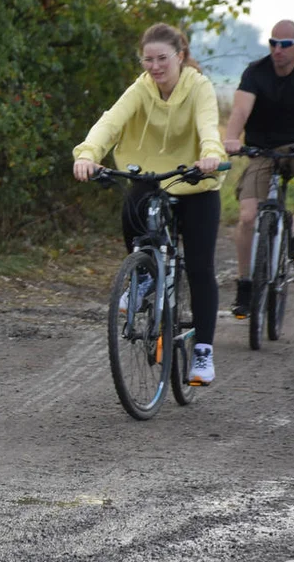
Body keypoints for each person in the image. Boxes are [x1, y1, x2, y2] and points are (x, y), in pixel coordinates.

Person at [72, 23, 226, 386]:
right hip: (151, 175)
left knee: (201, 266)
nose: (154, 67)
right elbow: (111, 122)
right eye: (148, 59)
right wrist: (88, 153)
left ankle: (203, 349)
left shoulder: (198, 87)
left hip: (195, 179)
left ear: (180, 57)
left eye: (162, 59)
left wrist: (210, 155)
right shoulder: (141, 88)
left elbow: (208, 126)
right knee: (132, 206)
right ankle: (143, 275)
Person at [222, 19, 294, 318]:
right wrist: (231, 138)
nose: (277, 50)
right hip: (262, 149)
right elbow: (241, 109)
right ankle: (244, 283)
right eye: (273, 43)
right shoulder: (255, 72)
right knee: (246, 216)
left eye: (284, 44)